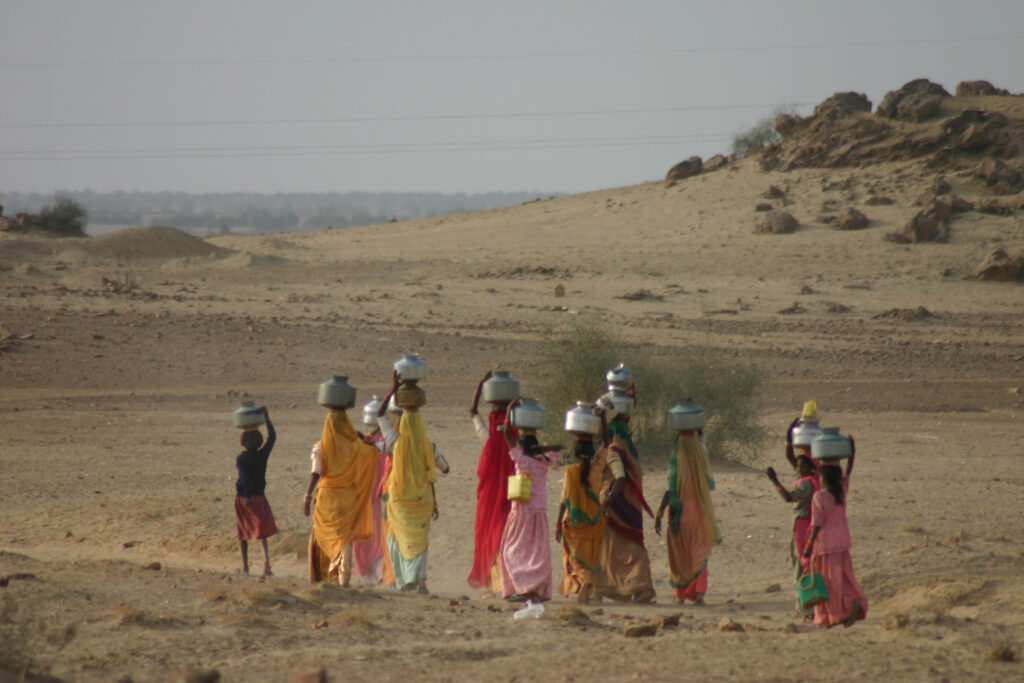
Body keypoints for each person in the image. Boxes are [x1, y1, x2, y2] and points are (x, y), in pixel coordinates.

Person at [304, 403, 380, 586]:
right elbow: (372, 451)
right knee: (345, 537)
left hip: (327, 500)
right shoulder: (354, 446)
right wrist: (371, 435)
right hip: (348, 498)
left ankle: (323, 577)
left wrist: (307, 497)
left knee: (323, 534)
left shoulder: (321, 446)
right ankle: (343, 579)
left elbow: (316, 471)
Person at [498, 399, 563, 602]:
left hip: (522, 511)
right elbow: (560, 448)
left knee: (512, 550)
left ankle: (523, 588)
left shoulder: (521, 460)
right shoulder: (544, 462)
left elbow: (507, 433)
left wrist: (510, 409)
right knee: (537, 553)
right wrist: (541, 448)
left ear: (522, 447)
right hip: (539, 512)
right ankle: (537, 589)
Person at [382, 375, 440, 593]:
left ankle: (404, 581)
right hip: (423, 500)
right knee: (419, 541)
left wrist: (393, 388)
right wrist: (435, 504)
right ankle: (419, 581)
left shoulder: (394, 440)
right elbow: (437, 472)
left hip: (398, 499)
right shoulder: (428, 445)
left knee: (395, 539)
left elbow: (379, 415)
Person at [596, 397, 656, 603]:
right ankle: (635, 589)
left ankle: (637, 588)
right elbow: (607, 442)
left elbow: (620, 477)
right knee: (630, 543)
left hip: (618, 505)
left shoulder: (615, 451)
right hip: (632, 504)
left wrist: (610, 500)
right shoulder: (627, 447)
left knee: (612, 545)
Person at [655, 426, 721, 604]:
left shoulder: (676, 462)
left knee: (680, 554)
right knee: (699, 553)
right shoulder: (701, 458)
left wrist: (660, 512)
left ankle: (680, 594)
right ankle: (699, 592)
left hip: (679, 516)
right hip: (698, 515)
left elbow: (670, 491)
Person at [802, 447, 868, 628]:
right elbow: (848, 475)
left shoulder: (819, 496)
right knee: (844, 578)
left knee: (827, 583)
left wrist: (808, 546)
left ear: (824, 478)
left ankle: (834, 616)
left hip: (824, 546)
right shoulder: (841, 493)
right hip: (842, 542)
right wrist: (851, 457)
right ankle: (850, 602)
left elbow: (816, 523)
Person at [766, 414, 821, 618]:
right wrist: (789, 435)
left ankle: (807, 608)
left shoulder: (807, 484)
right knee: (804, 565)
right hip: (805, 525)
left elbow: (788, 497)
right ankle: (808, 607)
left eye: (800, 466)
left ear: (807, 467)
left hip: (804, 528)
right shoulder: (811, 477)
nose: (796, 468)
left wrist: (774, 481)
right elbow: (792, 457)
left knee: (803, 567)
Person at [467, 371, 516, 595]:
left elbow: (472, 412)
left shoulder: (487, 438)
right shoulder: (514, 440)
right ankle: (504, 580)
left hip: (488, 496)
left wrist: (479, 387)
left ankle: (492, 580)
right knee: (505, 532)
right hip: (510, 493)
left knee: (488, 531)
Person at [557, 431, 615, 604]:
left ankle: (583, 583)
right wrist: (603, 420)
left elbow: (563, 500)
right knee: (592, 558)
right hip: (595, 522)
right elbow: (607, 443)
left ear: (575, 453)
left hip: (575, 524)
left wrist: (557, 523)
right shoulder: (597, 470)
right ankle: (588, 587)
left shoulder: (570, 472)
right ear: (592, 453)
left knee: (575, 558)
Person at [234, 406, 277, 576]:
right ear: (259, 442)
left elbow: (244, 477)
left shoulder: (241, 458)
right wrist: (267, 419)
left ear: (243, 442)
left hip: (244, 498)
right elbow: (272, 438)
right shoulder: (263, 455)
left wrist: (247, 495)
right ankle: (266, 562)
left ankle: (245, 567)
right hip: (259, 497)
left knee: (243, 533)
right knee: (261, 533)